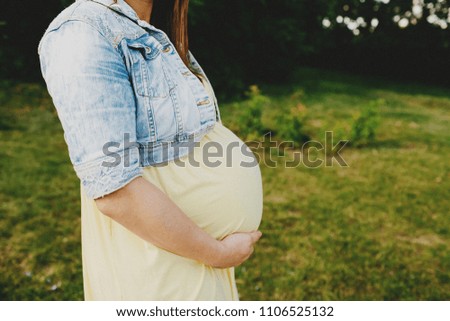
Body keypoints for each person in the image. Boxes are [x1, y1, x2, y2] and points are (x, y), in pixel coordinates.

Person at [38, 0, 263, 300]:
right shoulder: (82, 32)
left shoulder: (149, 28)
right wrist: (218, 253)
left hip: (186, 258)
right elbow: (116, 192)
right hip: (158, 270)